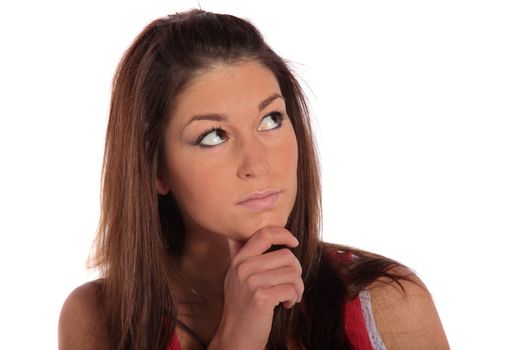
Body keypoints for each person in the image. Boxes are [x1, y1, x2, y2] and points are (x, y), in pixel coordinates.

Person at [58, 9, 449, 350]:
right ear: (157, 169)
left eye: (271, 120)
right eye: (213, 135)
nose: (256, 162)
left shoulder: (386, 301)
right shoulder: (99, 318)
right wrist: (237, 337)